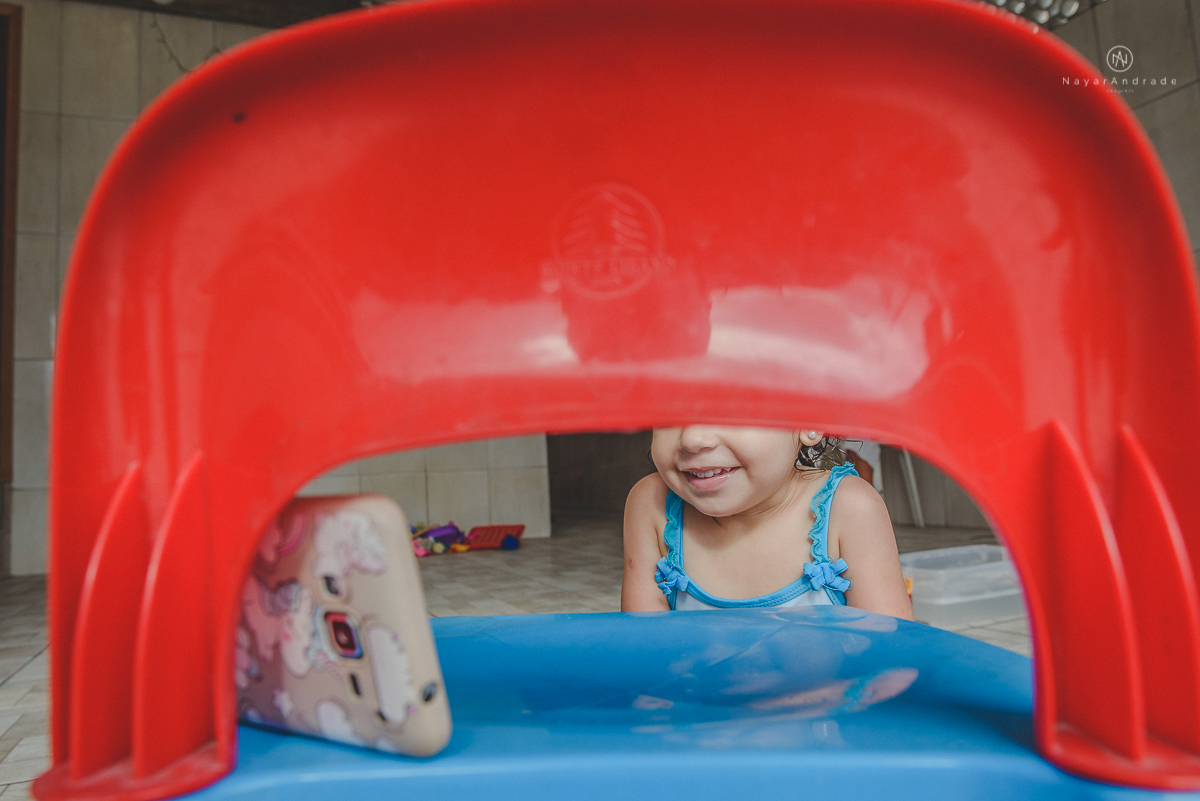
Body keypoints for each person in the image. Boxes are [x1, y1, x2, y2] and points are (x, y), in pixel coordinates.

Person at [621, 426, 913, 618]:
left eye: (729, 411)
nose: (692, 440)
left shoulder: (849, 508)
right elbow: (642, 657)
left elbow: (891, 663)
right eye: (670, 412)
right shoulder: (652, 505)